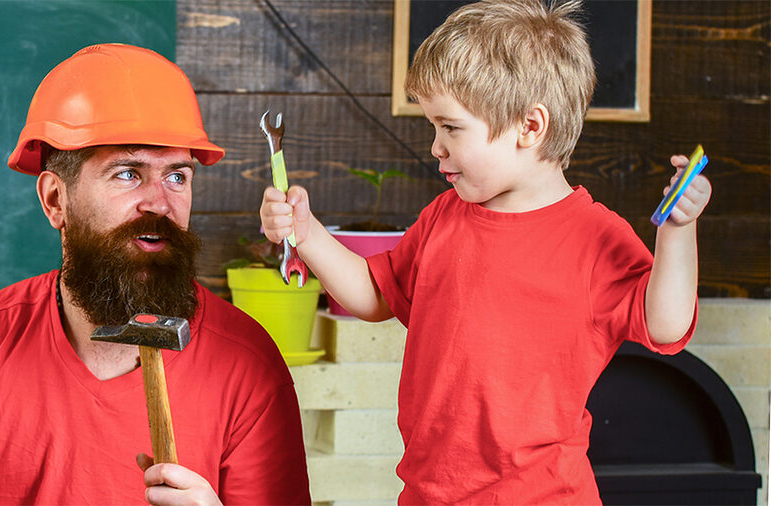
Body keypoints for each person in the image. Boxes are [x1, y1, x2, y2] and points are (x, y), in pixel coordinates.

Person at [0, 43, 311, 505]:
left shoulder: (248, 364)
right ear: (54, 199)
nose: (161, 202)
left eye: (178, 175)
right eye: (128, 173)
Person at [258, 1, 712, 503]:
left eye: (451, 128)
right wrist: (309, 233)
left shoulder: (595, 237)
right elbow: (374, 295)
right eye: (434, 127)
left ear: (530, 127)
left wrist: (677, 231)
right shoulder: (443, 216)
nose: (436, 146)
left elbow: (666, 324)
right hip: (429, 491)